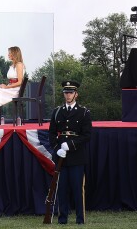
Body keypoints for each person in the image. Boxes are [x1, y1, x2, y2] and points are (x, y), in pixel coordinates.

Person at [48, 80, 92, 225]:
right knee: (62, 190)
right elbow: (52, 133)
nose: (68, 95)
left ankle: (80, 219)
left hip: (77, 156)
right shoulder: (57, 112)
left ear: (76, 94)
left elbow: (87, 135)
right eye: (66, 92)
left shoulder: (84, 112)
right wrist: (57, 149)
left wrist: (71, 144)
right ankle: (62, 219)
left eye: (70, 92)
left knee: (77, 190)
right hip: (61, 156)